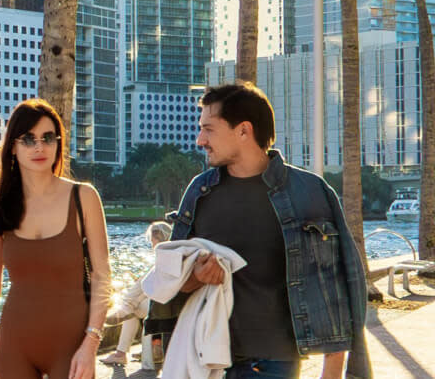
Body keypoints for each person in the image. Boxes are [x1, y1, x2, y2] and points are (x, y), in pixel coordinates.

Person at [147, 82, 369, 379]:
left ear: (243, 130)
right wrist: (197, 277)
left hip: (272, 364)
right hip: (203, 360)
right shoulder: (199, 192)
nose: (200, 139)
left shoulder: (310, 192)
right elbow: (170, 281)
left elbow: (339, 280)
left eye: (209, 129)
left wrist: (332, 370)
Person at [0, 99, 110, 379]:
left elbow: (102, 276)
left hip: (73, 346)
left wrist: (91, 342)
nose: (39, 147)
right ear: (13, 147)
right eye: (28, 139)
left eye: (48, 138)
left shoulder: (83, 197)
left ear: (58, 144)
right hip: (15, 344)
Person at [100, 220, 172, 367]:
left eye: (153, 241)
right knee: (134, 305)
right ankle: (152, 349)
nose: (152, 245)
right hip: (165, 303)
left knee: (132, 309)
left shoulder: (165, 259)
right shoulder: (171, 256)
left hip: (166, 307)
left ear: (159, 240)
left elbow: (154, 288)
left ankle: (121, 353)